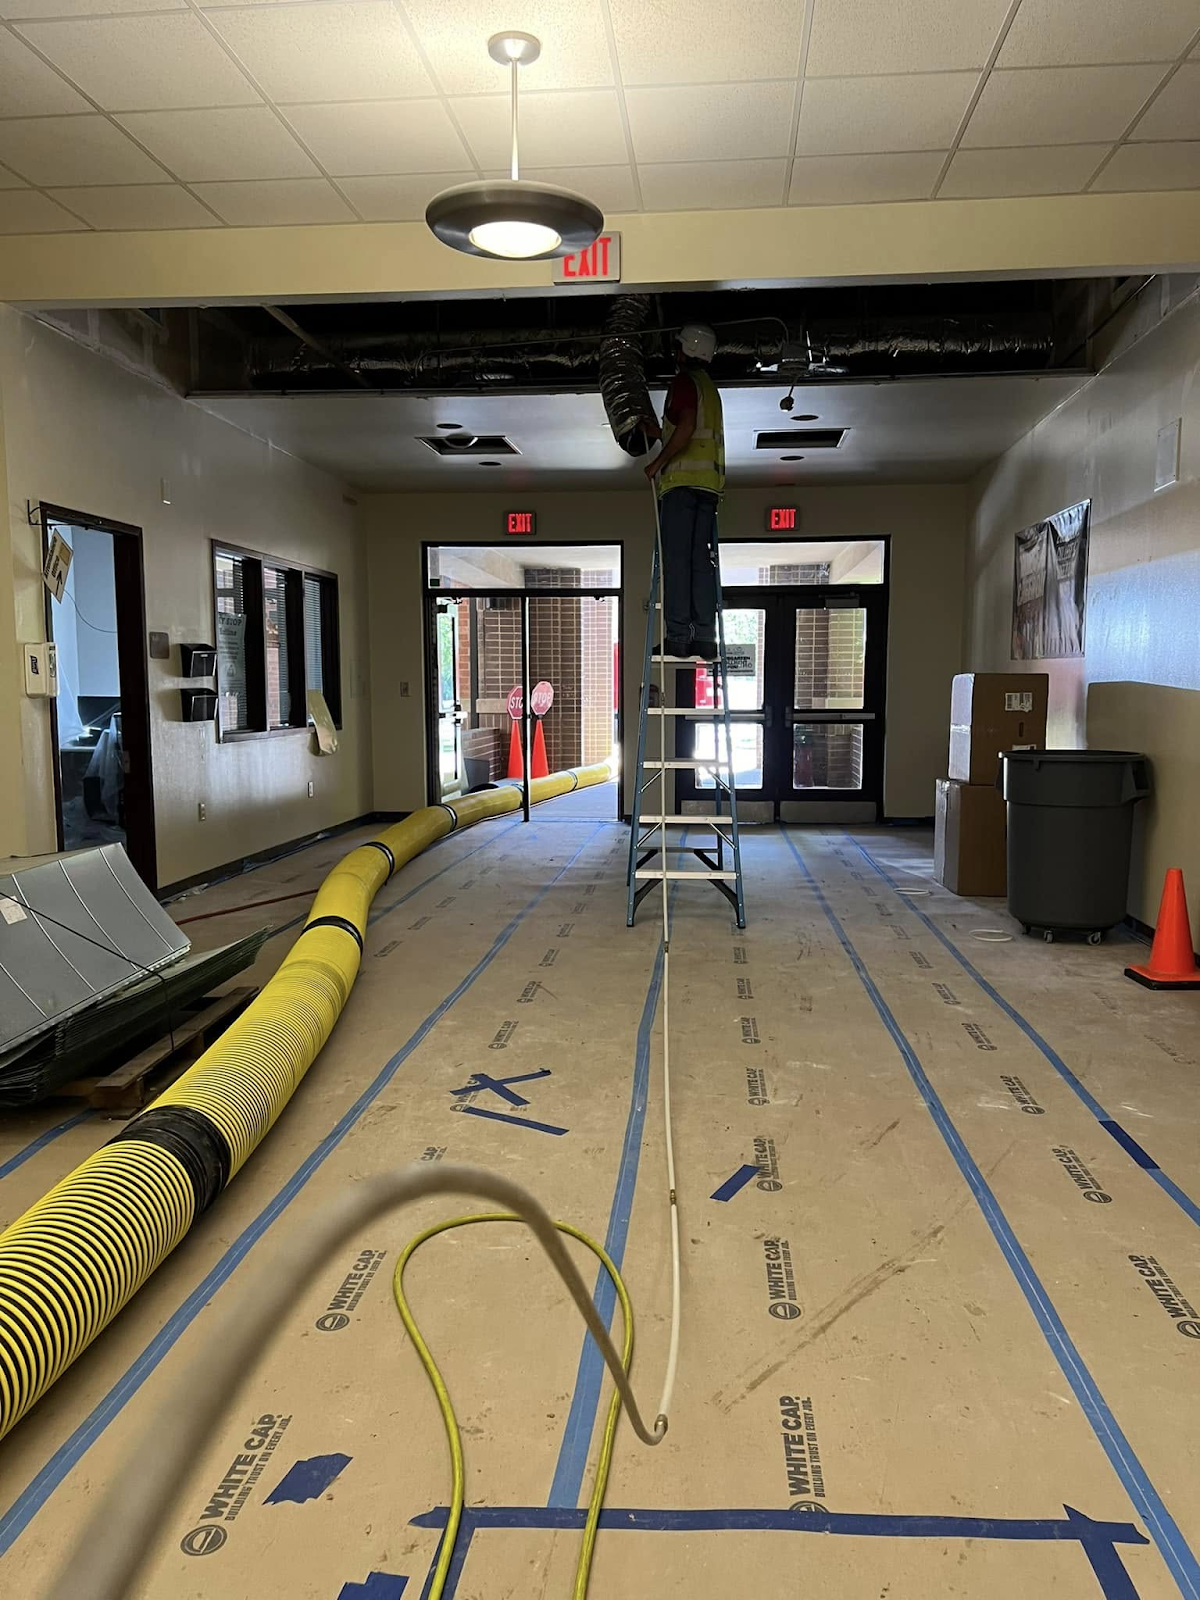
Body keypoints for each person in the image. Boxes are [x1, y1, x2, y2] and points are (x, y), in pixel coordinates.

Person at [644, 323, 725, 661]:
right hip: (708, 488)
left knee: (677, 563)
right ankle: (704, 638)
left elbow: (688, 427)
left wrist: (657, 463)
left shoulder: (684, 383)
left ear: (686, 351)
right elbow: (689, 430)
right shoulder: (709, 389)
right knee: (700, 564)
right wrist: (658, 432)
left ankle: (678, 637)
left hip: (681, 487)